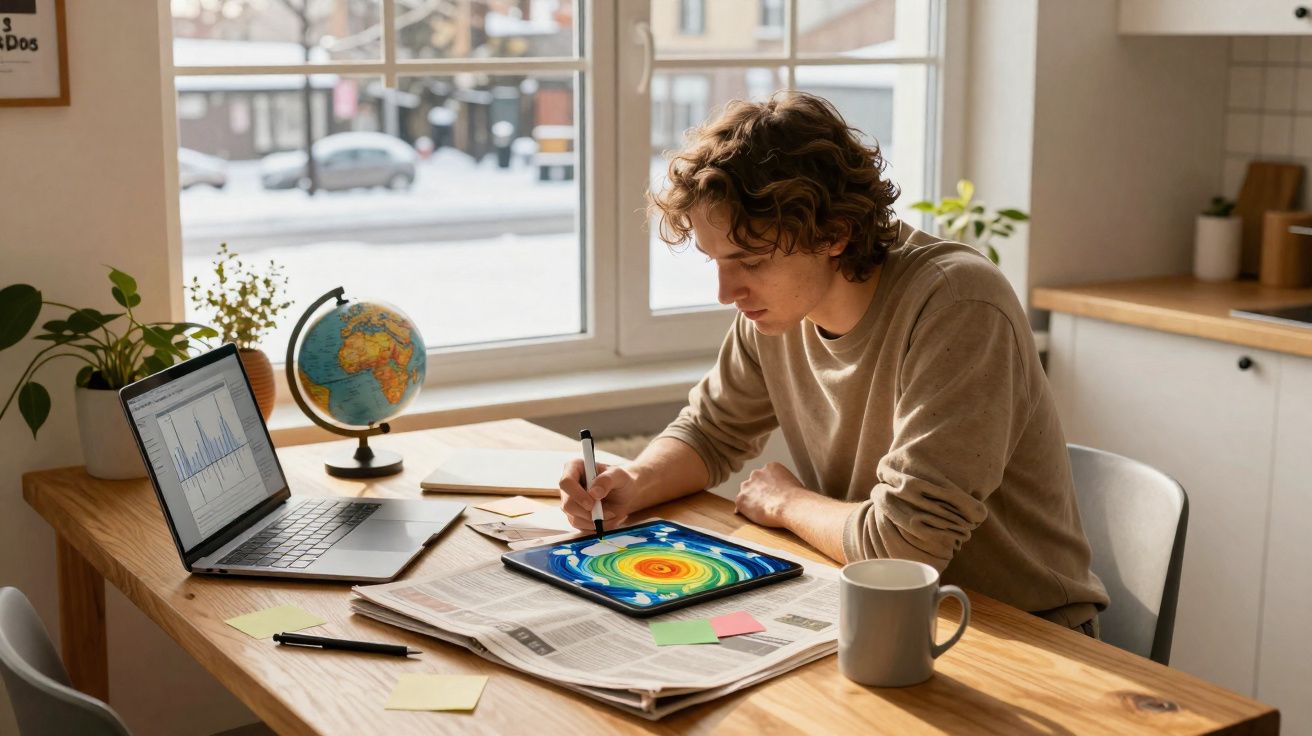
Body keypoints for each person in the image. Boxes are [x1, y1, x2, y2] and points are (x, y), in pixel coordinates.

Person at [557, 91, 1108, 634]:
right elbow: (710, 433)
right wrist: (632, 480)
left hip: (1019, 634)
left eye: (748, 260)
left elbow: (905, 544)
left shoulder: (957, 305)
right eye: (716, 261)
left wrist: (787, 501)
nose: (726, 292)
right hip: (875, 606)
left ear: (834, 234)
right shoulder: (776, 309)